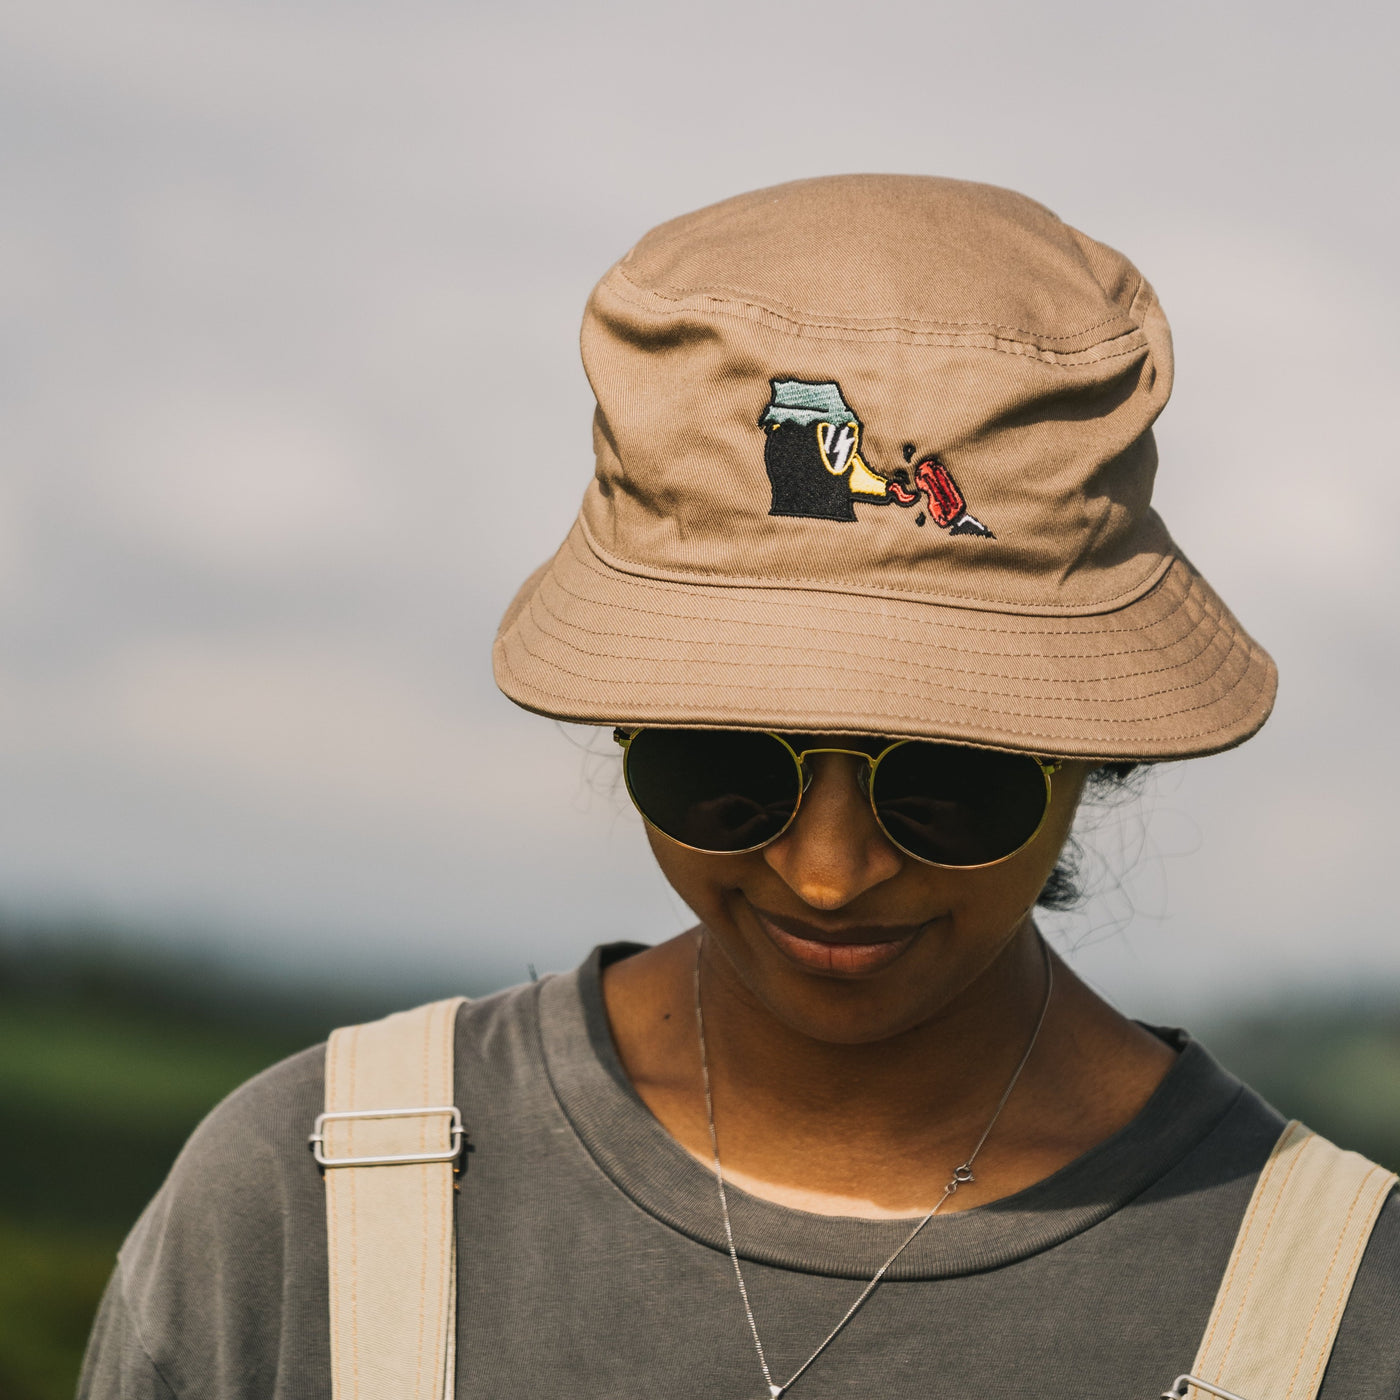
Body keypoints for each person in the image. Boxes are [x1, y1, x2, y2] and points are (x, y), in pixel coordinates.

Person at [78, 175, 1399, 1400]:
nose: (827, 869)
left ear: (1092, 751)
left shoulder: (1341, 1307)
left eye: (945, 782)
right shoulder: (299, 1205)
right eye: (723, 769)